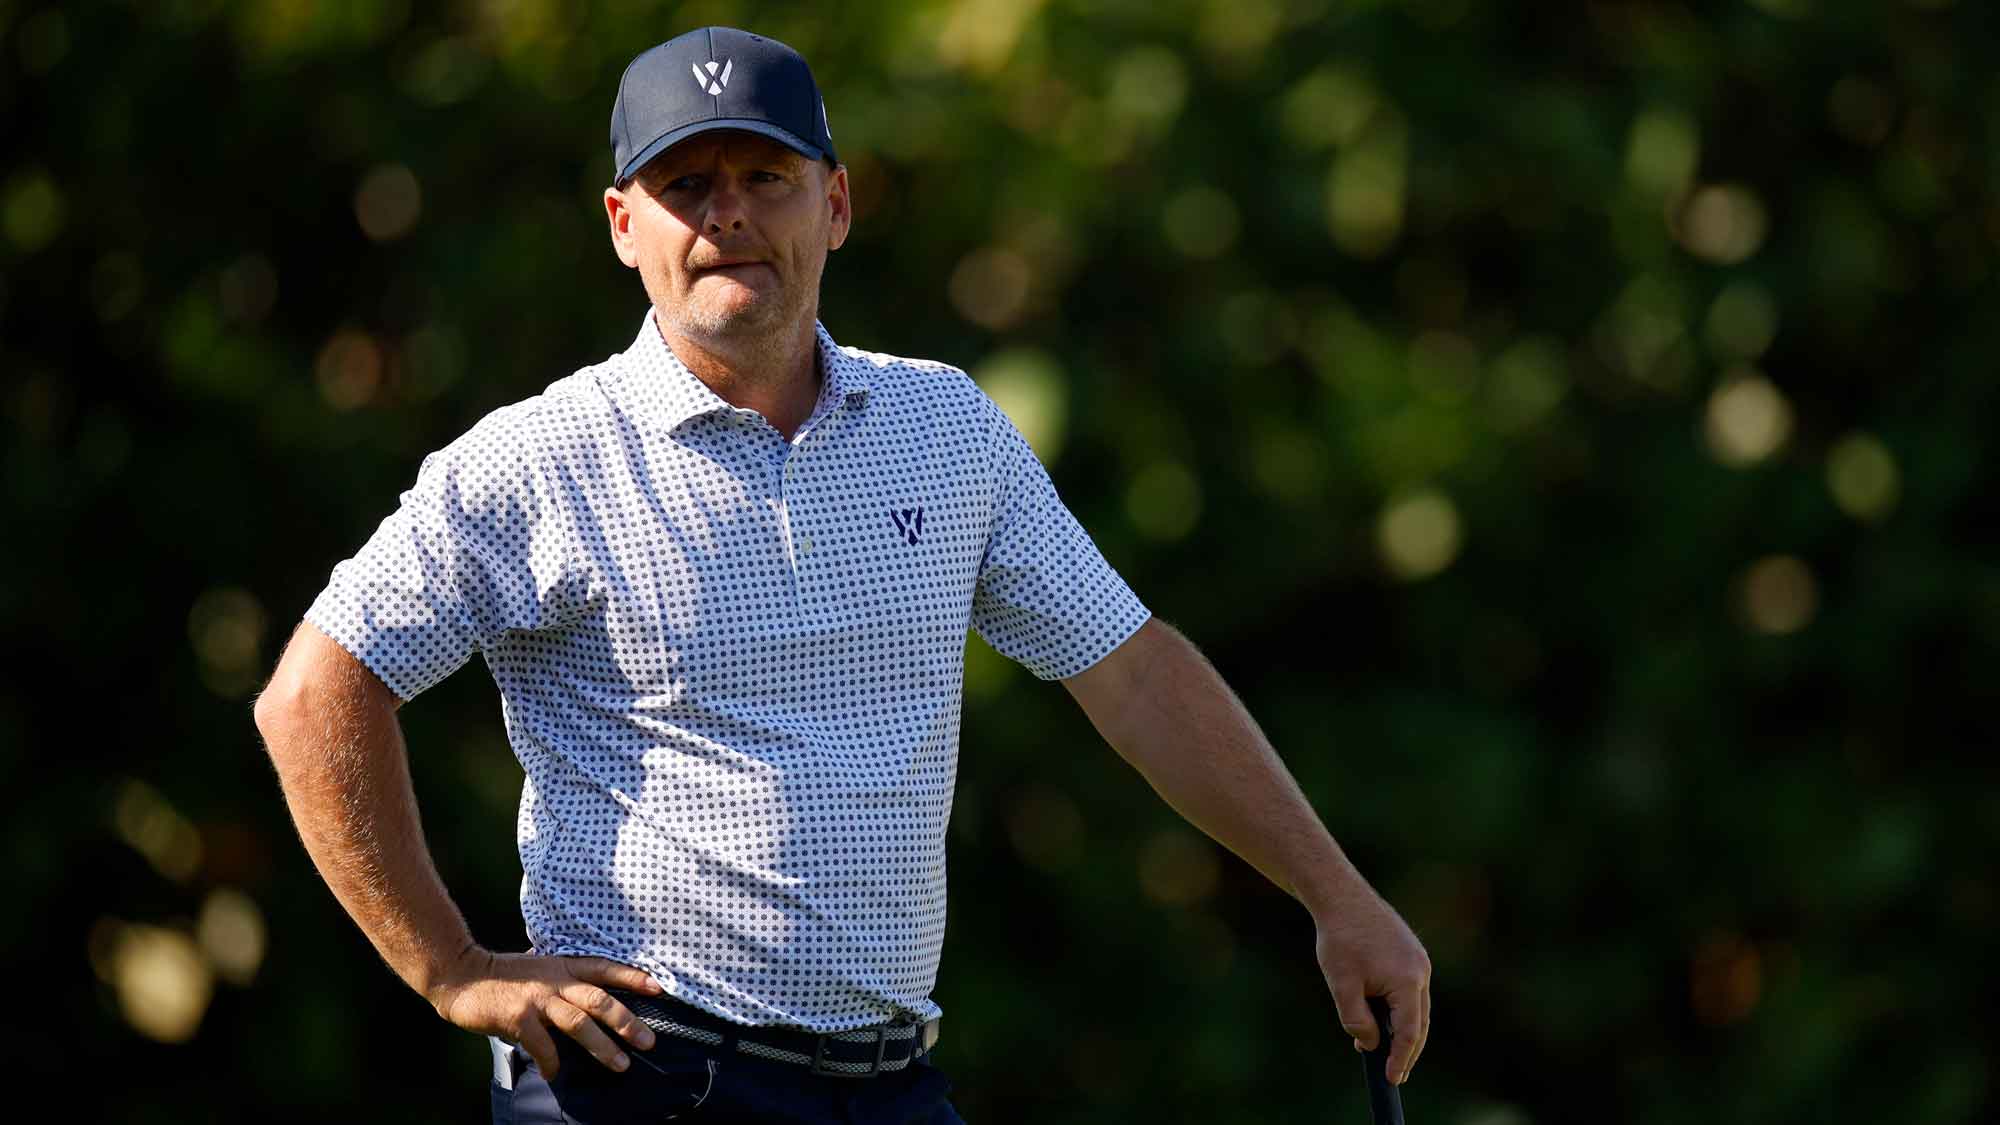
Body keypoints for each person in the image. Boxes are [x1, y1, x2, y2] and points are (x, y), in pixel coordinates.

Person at [253, 25, 1431, 1125]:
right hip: (637, 1080)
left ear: (837, 203)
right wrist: (452, 969)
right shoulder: (542, 458)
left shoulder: (945, 427)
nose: (728, 217)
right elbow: (312, 696)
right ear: (623, 225)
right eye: (685, 188)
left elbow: (1128, 673)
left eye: (765, 179)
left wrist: (1335, 895)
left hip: (887, 1082)